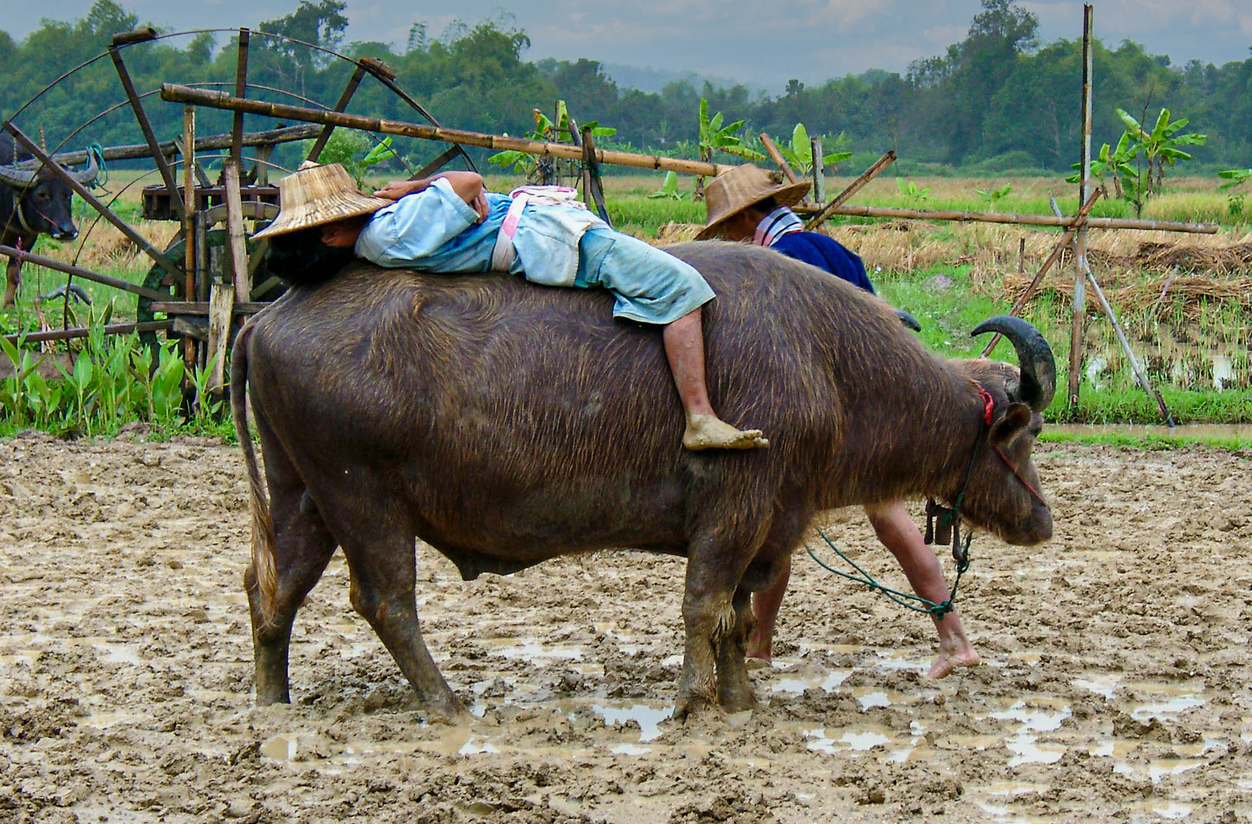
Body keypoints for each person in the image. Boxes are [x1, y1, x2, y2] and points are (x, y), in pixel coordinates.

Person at [257, 162, 767, 452]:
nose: (370, 204)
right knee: (679, 284)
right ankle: (700, 415)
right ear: (328, 232)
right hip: (550, 239)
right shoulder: (390, 231)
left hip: (538, 229)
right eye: (354, 206)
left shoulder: (379, 234)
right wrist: (419, 188)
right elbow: (468, 181)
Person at [697, 163, 981, 679]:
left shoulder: (777, 266)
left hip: (821, 413)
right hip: (870, 409)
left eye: (729, 227)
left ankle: (761, 645)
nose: (729, 237)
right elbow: (886, 324)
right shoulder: (832, 250)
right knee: (889, 521)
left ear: (744, 220)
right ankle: (954, 637)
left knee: (775, 521)